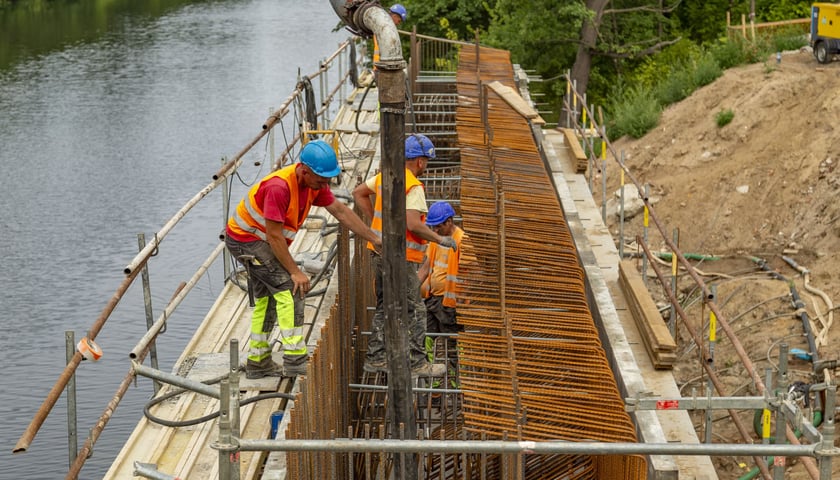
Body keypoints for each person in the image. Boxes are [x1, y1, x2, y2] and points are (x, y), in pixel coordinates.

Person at [225, 139, 382, 379]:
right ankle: (295, 359)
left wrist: (373, 237)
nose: (325, 185)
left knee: (267, 297)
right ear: (304, 171)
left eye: (328, 180)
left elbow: (340, 211)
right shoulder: (279, 188)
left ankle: (258, 362)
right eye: (321, 180)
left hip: (260, 240)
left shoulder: (313, 185)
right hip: (247, 240)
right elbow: (275, 237)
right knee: (291, 288)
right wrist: (295, 271)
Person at [352, 134, 457, 377]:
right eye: (426, 162)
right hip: (400, 257)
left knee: (385, 304)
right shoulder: (413, 186)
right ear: (420, 161)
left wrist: (375, 226)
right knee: (415, 310)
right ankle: (417, 363)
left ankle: (377, 357)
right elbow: (413, 224)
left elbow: (358, 193)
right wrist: (441, 240)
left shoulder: (385, 176)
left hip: (379, 252)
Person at [418, 201, 466, 335]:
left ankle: (454, 357)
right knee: (426, 338)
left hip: (451, 303)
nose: (435, 231)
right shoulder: (436, 239)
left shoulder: (462, 240)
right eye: (433, 227)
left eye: (438, 226)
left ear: (449, 221)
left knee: (452, 342)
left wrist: (462, 300)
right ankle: (428, 357)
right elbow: (425, 269)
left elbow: (472, 274)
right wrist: (410, 290)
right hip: (433, 299)